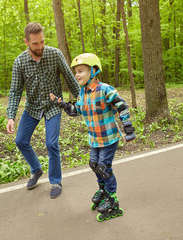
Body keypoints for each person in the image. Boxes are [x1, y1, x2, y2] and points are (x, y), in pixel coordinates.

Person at [49, 53, 135, 221]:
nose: (77, 75)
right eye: (75, 72)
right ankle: (103, 190)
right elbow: (77, 111)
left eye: (81, 71)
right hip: (95, 138)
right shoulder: (83, 92)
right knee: (94, 164)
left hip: (109, 138)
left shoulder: (105, 89)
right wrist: (62, 104)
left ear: (94, 71)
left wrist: (128, 129)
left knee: (104, 166)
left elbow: (122, 106)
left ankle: (112, 198)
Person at [6, 22, 80, 199]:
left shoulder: (54, 54)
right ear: (26, 42)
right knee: (21, 140)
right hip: (32, 107)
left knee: (51, 144)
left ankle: (55, 181)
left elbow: (70, 79)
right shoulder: (20, 62)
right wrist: (11, 116)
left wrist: (84, 101)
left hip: (53, 107)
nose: (40, 47)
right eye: (35, 43)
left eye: (42, 42)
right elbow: (15, 91)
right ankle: (36, 169)